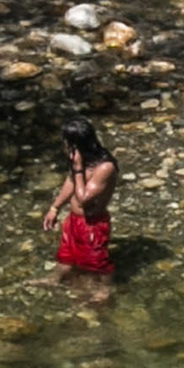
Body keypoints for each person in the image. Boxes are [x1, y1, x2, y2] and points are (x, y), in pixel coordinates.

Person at [46, 117, 117, 278]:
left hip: (92, 225)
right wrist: (55, 208)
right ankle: (55, 279)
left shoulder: (105, 167)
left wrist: (78, 168)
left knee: (96, 267)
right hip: (74, 221)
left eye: (66, 143)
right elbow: (71, 182)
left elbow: (83, 199)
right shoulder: (84, 161)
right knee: (66, 256)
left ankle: (101, 291)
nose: (64, 147)